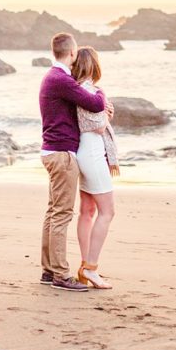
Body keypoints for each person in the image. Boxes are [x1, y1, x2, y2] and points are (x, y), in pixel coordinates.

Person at [39, 32, 114, 292]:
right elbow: (94, 103)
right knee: (61, 214)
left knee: (54, 213)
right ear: (71, 53)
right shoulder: (61, 79)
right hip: (61, 154)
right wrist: (103, 99)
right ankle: (60, 275)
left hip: (55, 151)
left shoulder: (55, 78)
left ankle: (49, 271)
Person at [72, 46, 119, 289]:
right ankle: (91, 267)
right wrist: (106, 115)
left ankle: (84, 267)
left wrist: (105, 114)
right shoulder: (87, 90)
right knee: (107, 212)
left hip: (87, 152)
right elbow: (97, 125)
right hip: (91, 154)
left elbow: (97, 121)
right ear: (93, 66)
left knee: (88, 211)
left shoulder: (80, 90)